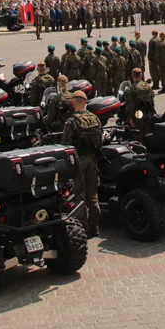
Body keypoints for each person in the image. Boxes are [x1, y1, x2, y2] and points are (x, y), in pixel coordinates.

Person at [62, 90, 102, 238]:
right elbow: (100, 141)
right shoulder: (95, 118)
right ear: (85, 102)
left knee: (80, 195)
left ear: (73, 103)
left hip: (78, 160)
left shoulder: (71, 121)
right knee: (93, 194)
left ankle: (83, 227)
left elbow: (66, 144)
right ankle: (95, 226)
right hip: (92, 159)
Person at [124, 68, 154, 140]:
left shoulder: (132, 88)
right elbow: (152, 100)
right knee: (148, 135)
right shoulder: (147, 86)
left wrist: (130, 119)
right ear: (141, 75)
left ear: (133, 76)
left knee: (138, 137)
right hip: (148, 114)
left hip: (138, 116)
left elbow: (130, 105)